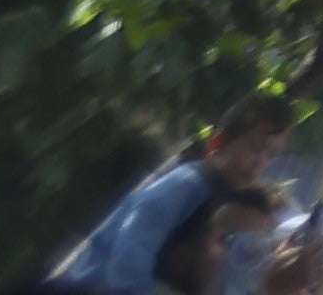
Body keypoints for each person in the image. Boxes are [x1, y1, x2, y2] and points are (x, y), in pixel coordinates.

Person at [55, 113, 283, 295]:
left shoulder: (219, 198)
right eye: (255, 148)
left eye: (271, 154)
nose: (260, 162)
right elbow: (132, 250)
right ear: (218, 142)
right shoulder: (185, 184)